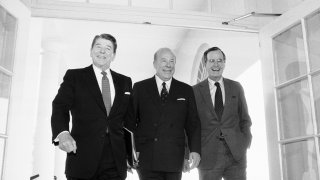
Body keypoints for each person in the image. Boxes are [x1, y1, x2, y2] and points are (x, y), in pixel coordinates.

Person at [51, 34, 132, 180]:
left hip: (115, 159)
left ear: (113, 55)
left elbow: (129, 119)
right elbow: (59, 106)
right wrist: (63, 133)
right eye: (98, 46)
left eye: (108, 48)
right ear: (91, 51)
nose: (102, 51)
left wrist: (132, 152)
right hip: (82, 156)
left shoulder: (125, 81)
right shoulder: (74, 76)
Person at [125, 47, 201, 180]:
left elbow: (193, 124)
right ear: (154, 64)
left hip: (174, 156)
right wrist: (130, 152)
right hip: (147, 155)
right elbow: (130, 122)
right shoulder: (140, 88)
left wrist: (195, 150)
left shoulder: (185, 90)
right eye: (164, 61)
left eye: (172, 61)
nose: (168, 65)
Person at [193, 47, 252, 180]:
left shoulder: (236, 87)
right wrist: (189, 152)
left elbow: (245, 119)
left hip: (236, 154)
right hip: (208, 154)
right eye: (212, 60)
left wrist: (245, 142)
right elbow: (191, 125)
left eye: (220, 60)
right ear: (205, 64)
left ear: (224, 63)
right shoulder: (194, 91)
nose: (216, 64)